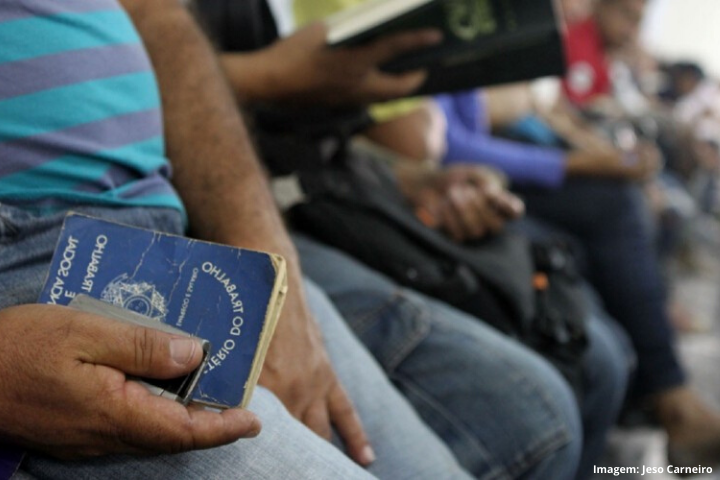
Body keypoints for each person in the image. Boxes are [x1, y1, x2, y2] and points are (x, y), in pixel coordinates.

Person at [0, 0, 492, 478]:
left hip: (172, 219)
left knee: (537, 414)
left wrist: (270, 264)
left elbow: (155, 11)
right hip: (29, 272)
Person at [199, 1, 636, 478]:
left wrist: (416, 178)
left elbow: (385, 140)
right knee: (537, 414)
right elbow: (421, 132)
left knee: (596, 352)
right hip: (269, 211)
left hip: (333, 187)